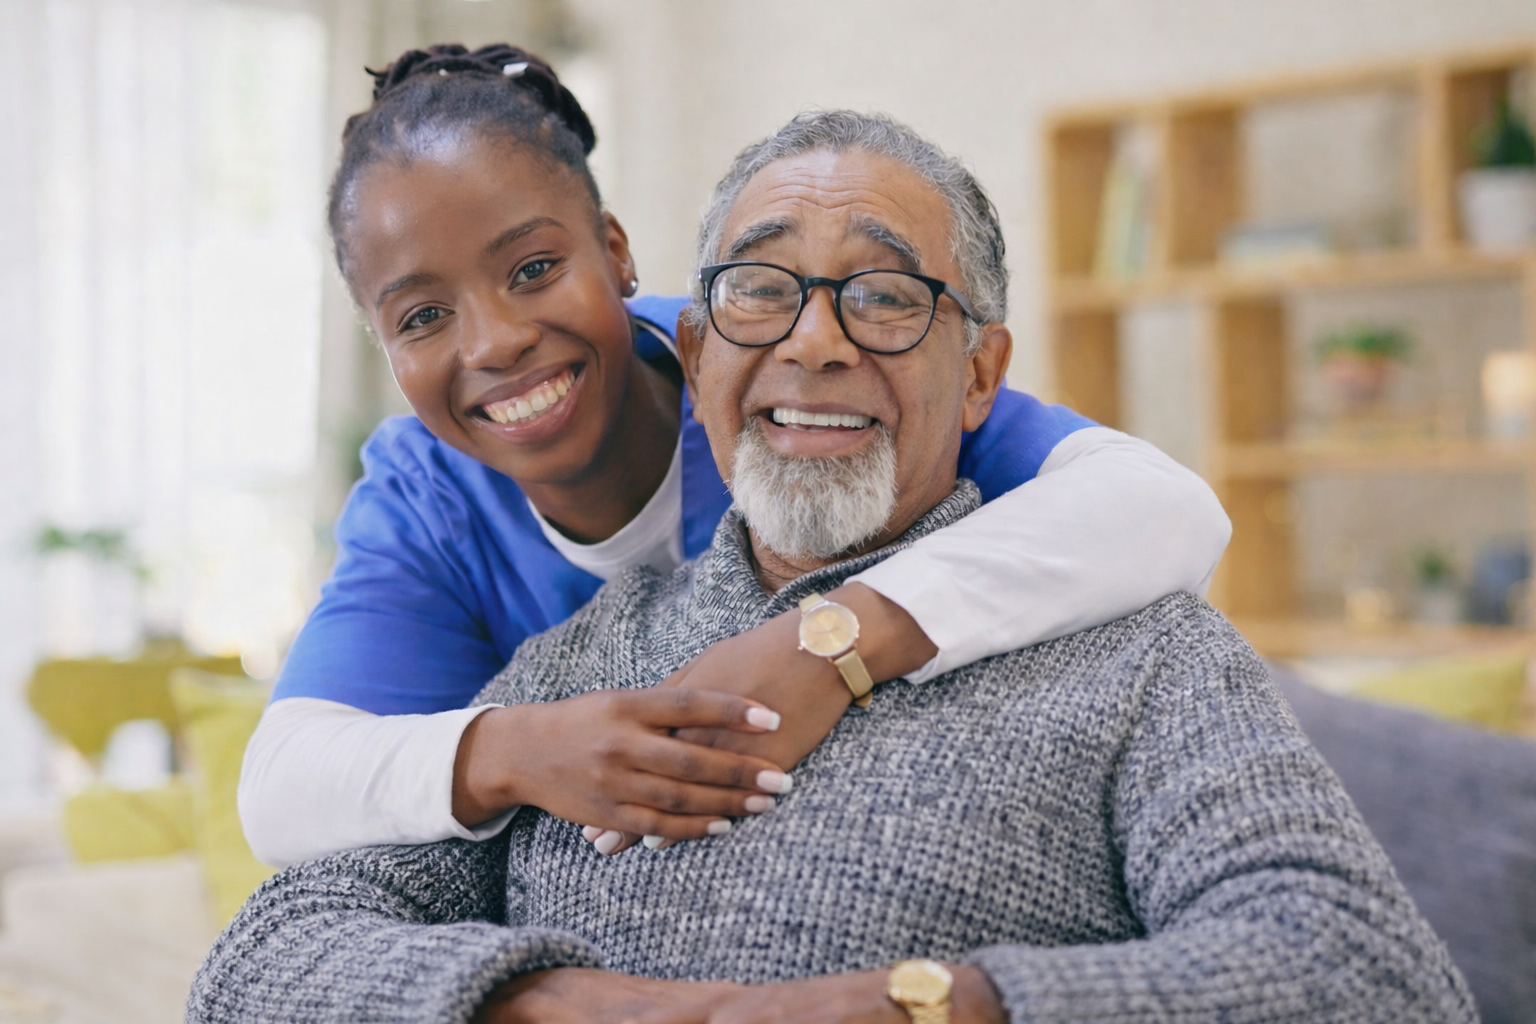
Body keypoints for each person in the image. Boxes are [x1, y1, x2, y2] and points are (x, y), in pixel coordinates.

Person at [188, 110, 1473, 1024]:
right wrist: (579, 1005)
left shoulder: (1143, 653)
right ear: (693, 351)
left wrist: (918, 1003)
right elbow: (262, 962)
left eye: (886, 296)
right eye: (763, 292)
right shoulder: (572, 670)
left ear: (979, 374)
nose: (815, 343)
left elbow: (1370, 973)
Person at [238, 43, 1231, 866]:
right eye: (422, 315)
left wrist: (831, 639)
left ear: (619, 255)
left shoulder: (785, 385)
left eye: (535, 269)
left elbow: (1165, 507)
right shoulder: (428, 495)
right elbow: (284, 786)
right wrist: (528, 747)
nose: (494, 341)